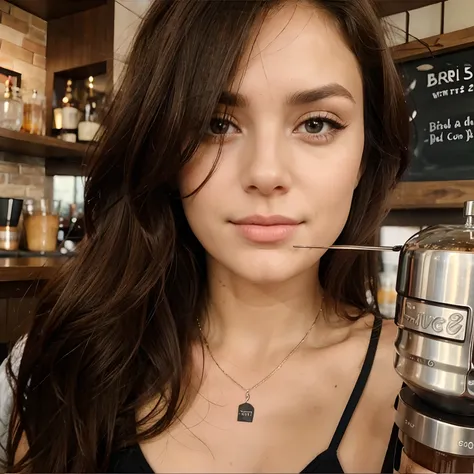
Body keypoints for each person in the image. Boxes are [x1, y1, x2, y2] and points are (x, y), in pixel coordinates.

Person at [0, 0, 427, 472]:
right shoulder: (70, 360)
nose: (266, 173)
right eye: (216, 124)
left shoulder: (428, 387)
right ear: (164, 146)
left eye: (317, 124)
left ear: (366, 153)